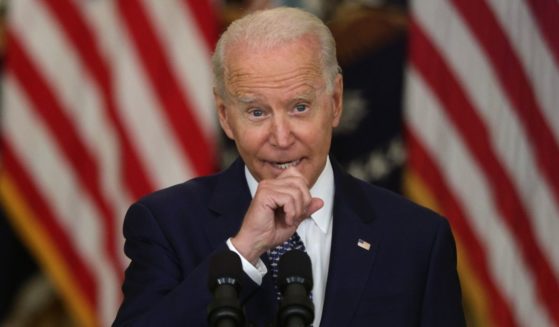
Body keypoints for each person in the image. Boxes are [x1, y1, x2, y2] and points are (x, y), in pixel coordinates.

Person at [113, 7, 465, 327]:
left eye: (299, 107)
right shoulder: (167, 225)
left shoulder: (416, 240)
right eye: (257, 112)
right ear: (225, 116)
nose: (281, 138)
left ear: (336, 102)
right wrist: (243, 251)